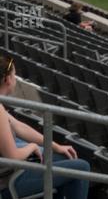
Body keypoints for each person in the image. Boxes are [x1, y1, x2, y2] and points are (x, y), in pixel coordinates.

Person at [0, 55, 91, 199]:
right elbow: (13, 157)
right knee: (82, 168)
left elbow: (20, 127)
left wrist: (56, 146)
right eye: (14, 75)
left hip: (14, 171)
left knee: (63, 156)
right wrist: (32, 147)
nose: (16, 79)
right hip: (10, 180)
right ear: (7, 79)